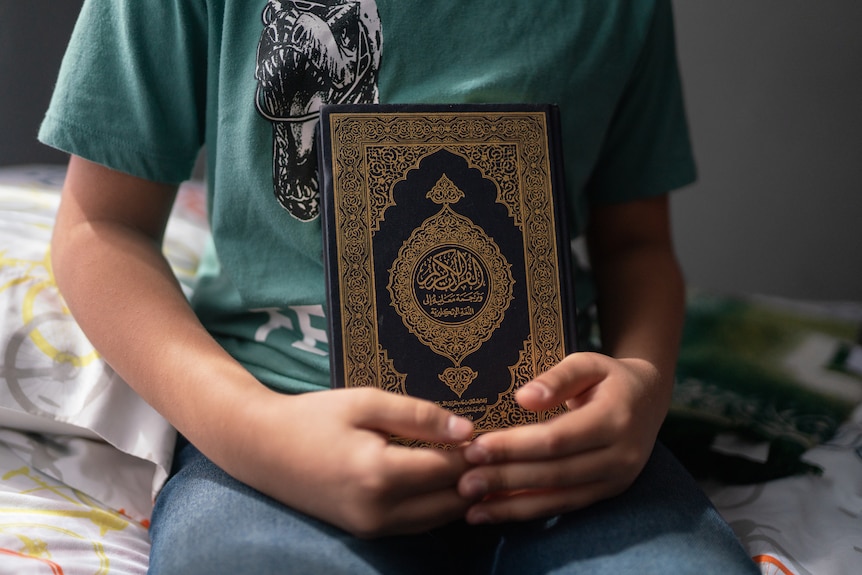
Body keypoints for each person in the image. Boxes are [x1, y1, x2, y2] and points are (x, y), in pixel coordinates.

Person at [41, 1, 759, 573]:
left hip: (555, 452)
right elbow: (99, 230)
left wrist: (641, 385)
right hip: (282, 428)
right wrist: (259, 434)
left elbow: (635, 245)